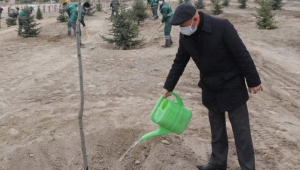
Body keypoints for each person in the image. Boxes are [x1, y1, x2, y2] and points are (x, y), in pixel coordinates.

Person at [161, 3, 263, 170]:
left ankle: (247, 167)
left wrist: (253, 81)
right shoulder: (186, 36)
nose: (182, 29)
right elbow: (179, 62)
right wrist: (168, 86)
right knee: (216, 129)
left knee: (241, 131)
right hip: (210, 87)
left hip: (231, 86)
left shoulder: (222, 26)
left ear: (195, 18)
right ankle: (217, 163)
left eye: (183, 25)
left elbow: (241, 54)